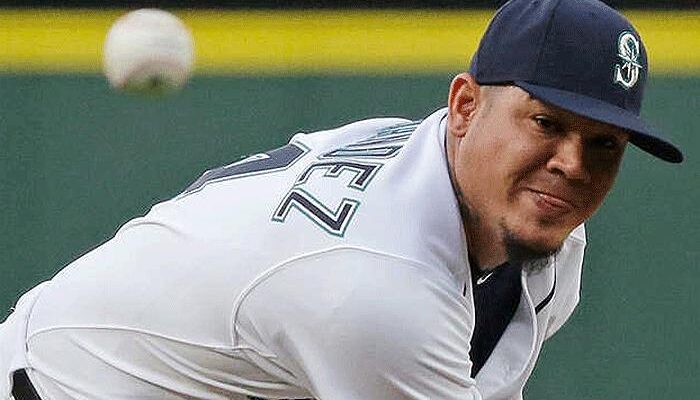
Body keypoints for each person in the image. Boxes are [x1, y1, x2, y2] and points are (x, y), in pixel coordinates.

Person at [0, 0, 684, 399]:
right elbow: (379, 305)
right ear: (465, 106)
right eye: (545, 123)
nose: (571, 165)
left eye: (605, 144)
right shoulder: (380, 284)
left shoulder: (529, 223)